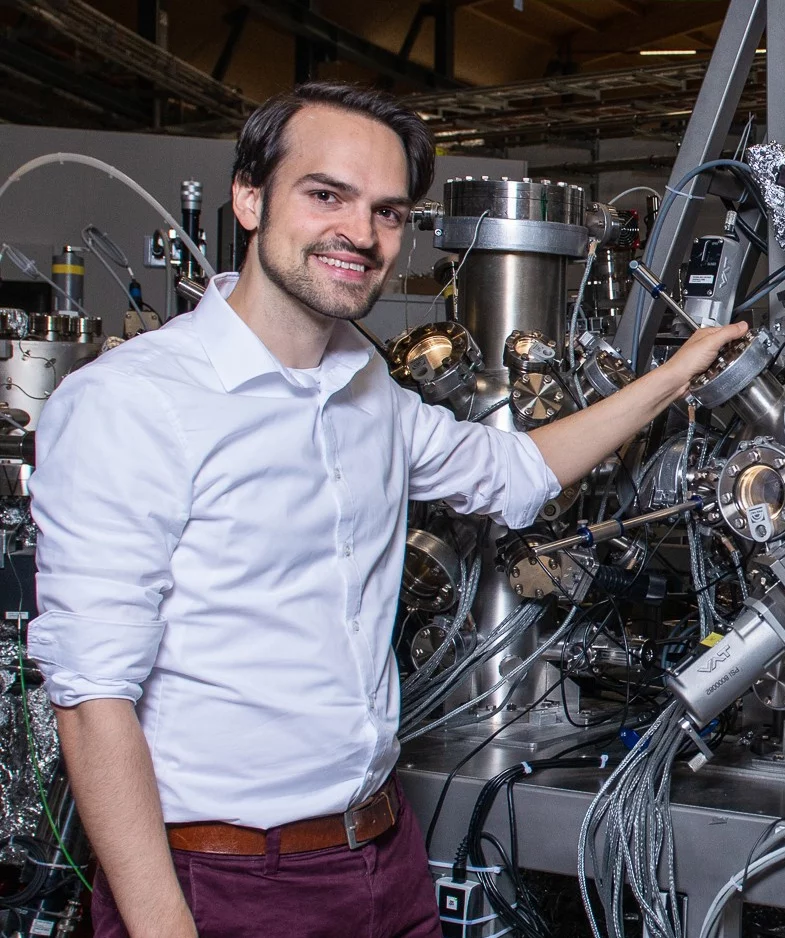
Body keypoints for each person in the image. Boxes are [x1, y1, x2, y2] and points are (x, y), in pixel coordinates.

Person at [28, 82, 747, 938]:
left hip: (381, 857)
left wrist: (675, 375)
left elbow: (514, 472)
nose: (361, 236)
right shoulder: (132, 401)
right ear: (249, 198)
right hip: (221, 881)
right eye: (326, 195)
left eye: (389, 212)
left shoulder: (368, 387)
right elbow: (92, 694)